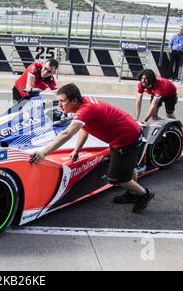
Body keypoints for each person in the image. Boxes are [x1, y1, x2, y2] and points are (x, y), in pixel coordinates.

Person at [30, 83, 155, 213]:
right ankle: (132, 194)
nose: (59, 105)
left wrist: (43, 153)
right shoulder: (83, 104)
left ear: (74, 101)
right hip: (126, 132)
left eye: (62, 101)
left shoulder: (86, 109)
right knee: (129, 167)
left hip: (126, 138)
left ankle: (144, 193)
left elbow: (66, 134)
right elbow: (86, 128)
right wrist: (77, 150)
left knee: (116, 178)